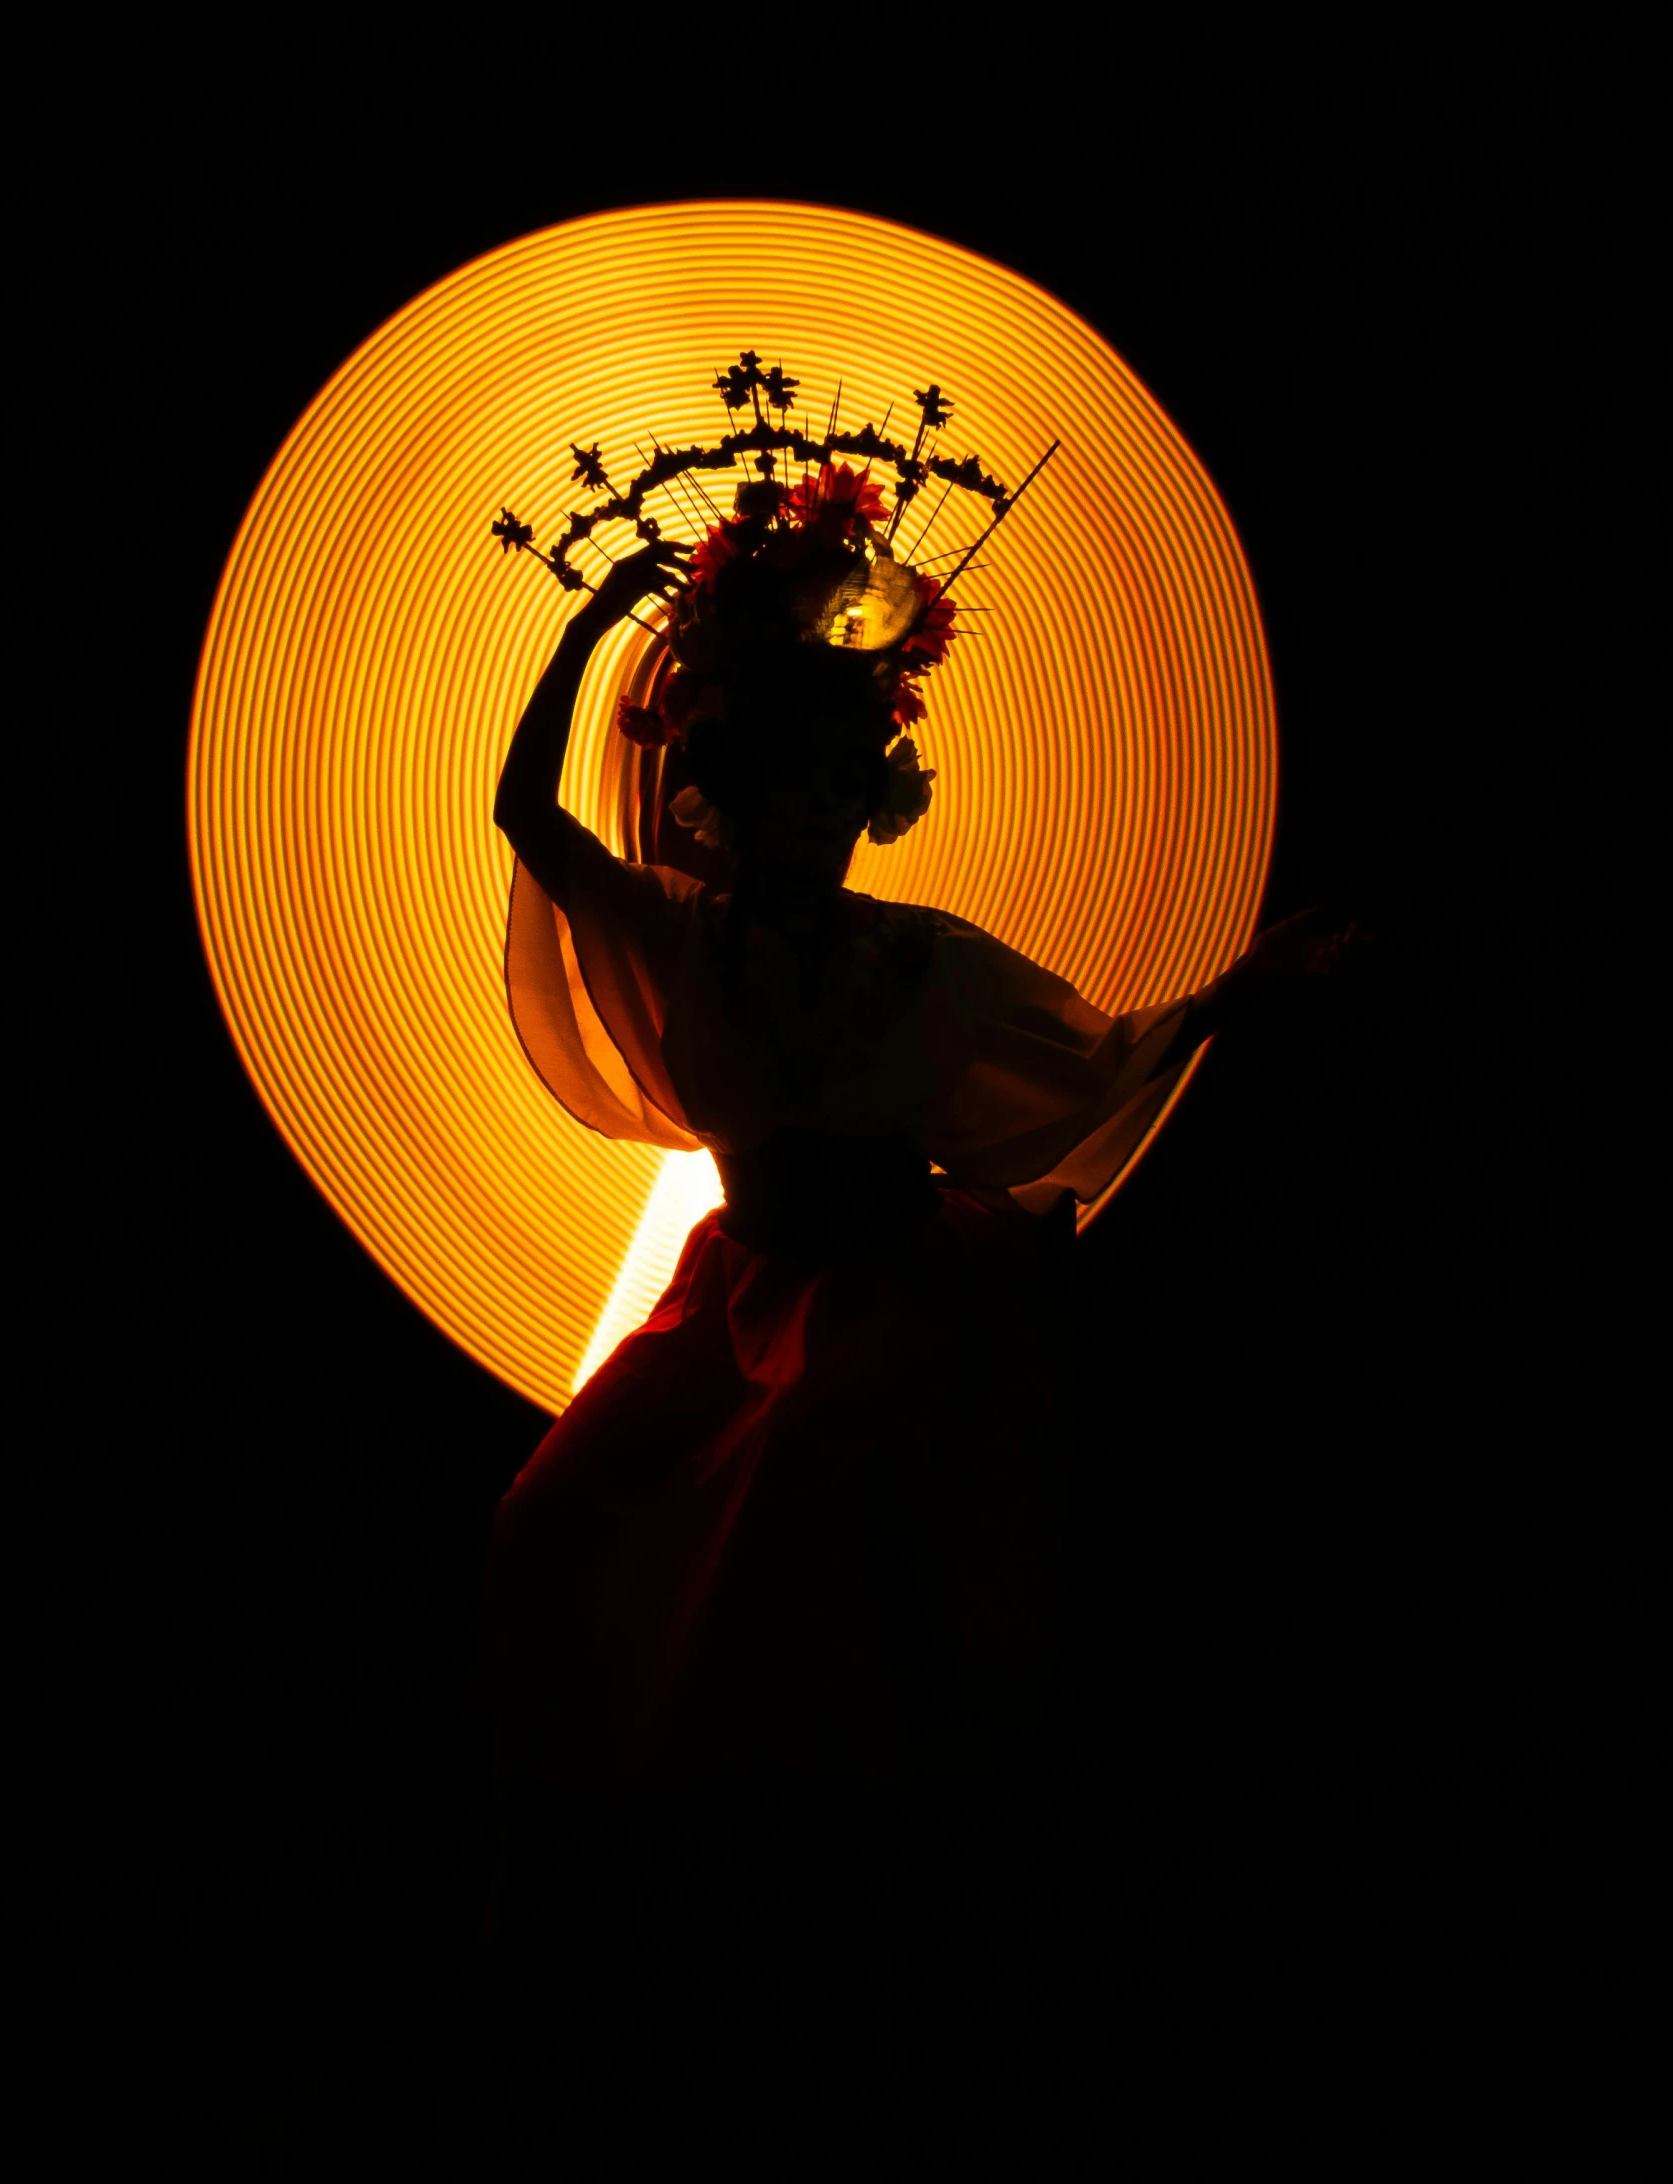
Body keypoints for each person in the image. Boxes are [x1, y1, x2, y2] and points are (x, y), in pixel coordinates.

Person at [466, 429, 1367, 2122]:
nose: (816, 829)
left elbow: (1090, 1057)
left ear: (866, 804)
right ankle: (547, 1895)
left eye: (836, 796)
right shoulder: (670, 932)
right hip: (738, 1296)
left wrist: (1244, 985)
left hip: (901, 1297)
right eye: (782, 793)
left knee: (805, 1494)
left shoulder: (915, 958)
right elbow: (522, 811)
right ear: (720, 798)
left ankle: (835, 1907)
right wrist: (590, 619)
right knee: (552, 1515)